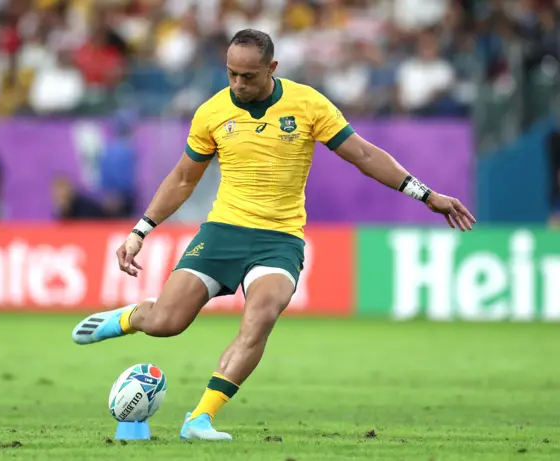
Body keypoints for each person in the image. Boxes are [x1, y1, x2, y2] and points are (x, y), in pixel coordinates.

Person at [71, 29, 476, 441]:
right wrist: (141, 231)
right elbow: (181, 180)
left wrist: (425, 195)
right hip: (223, 231)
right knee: (166, 323)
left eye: (248, 76)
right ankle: (129, 317)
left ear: (272, 68)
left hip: (278, 240)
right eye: (231, 74)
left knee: (260, 316)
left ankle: (200, 419)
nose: (238, 85)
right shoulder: (212, 113)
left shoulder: (307, 104)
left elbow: (365, 155)